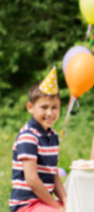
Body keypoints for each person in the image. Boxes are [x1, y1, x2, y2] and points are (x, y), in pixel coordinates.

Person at [9, 67, 66, 212]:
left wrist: (66, 200)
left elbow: (54, 174)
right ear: (30, 107)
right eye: (44, 107)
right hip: (26, 204)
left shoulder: (53, 136)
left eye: (54, 107)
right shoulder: (28, 136)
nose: (50, 113)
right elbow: (32, 180)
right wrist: (56, 206)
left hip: (43, 202)